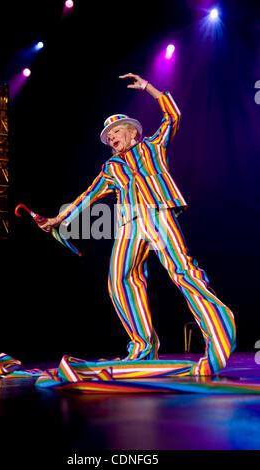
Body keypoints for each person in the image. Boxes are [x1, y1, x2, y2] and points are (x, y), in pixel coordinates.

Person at [41, 73, 236, 375]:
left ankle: (220, 332)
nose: (112, 137)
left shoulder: (153, 145)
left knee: (182, 271)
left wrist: (148, 88)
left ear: (132, 132)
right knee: (120, 280)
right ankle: (143, 349)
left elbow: (173, 115)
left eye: (117, 131)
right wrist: (59, 218)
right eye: (109, 136)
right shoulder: (110, 167)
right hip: (129, 224)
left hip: (158, 213)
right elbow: (88, 195)